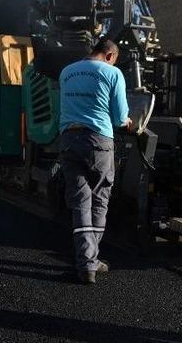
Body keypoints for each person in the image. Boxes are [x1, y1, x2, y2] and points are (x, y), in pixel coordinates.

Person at [58, 39, 131, 284]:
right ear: (110, 55)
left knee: (80, 203)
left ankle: (87, 261)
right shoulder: (113, 72)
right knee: (99, 199)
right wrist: (128, 122)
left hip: (68, 139)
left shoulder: (66, 71)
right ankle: (89, 262)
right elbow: (120, 118)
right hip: (98, 140)